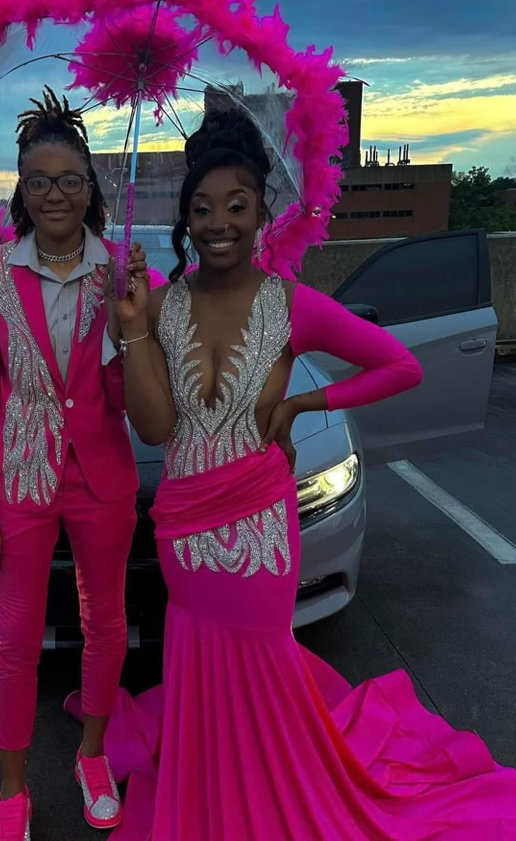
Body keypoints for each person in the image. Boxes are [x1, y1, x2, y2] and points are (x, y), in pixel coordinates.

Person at [70, 109, 516, 840]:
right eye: (202, 208)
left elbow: (399, 366)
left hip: (259, 525)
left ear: (261, 213)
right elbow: (153, 428)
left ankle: (273, 788)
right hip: (185, 525)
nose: (219, 224)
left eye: (236, 206)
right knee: (201, 663)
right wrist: (133, 327)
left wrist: (308, 401)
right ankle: (217, 782)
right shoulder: (162, 304)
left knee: (263, 657)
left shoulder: (290, 303)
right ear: (186, 218)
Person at [0, 87, 143, 839]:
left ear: (92, 187)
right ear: (21, 190)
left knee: (107, 622)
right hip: (20, 478)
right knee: (14, 638)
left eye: (70, 179)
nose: (56, 193)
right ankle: (13, 791)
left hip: (103, 476)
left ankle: (91, 756)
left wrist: (130, 329)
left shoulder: (120, 273)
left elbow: (131, 401)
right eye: (40, 180)